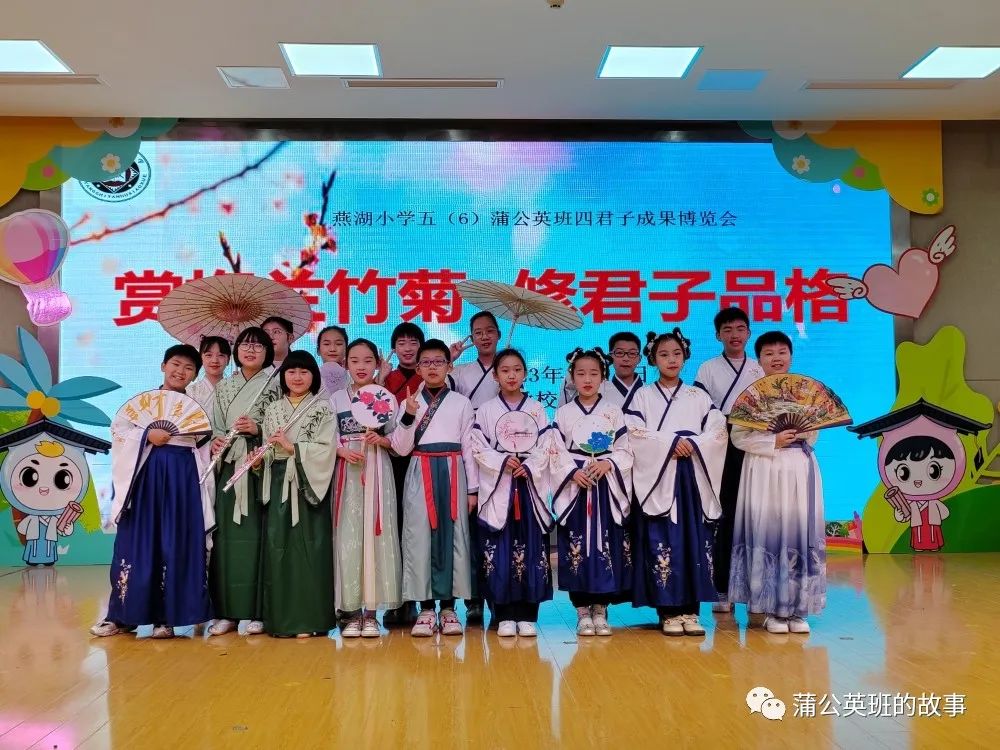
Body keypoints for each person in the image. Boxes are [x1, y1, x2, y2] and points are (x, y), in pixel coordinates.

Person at [90, 345, 215, 639]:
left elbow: (204, 446)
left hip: (182, 476)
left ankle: (166, 618)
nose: (180, 372)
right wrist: (147, 434)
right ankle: (121, 616)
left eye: (188, 368)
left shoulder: (197, 408)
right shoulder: (142, 405)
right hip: (144, 475)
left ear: (194, 376)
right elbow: (119, 433)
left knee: (175, 542)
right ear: (163, 366)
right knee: (136, 542)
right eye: (175, 364)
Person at [628, 330, 728, 636]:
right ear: (653, 359)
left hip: (692, 475)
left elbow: (718, 429)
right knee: (663, 539)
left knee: (693, 539)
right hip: (661, 475)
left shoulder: (699, 396)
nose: (671, 360)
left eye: (676, 354)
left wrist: (694, 443)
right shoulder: (643, 395)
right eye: (663, 355)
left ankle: (691, 610)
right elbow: (634, 431)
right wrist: (671, 443)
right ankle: (668, 611)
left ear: (685, 357)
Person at [728, 331, 826, 635]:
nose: (776, 358)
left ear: (791, 356)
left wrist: (801, 434)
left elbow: (815, 429)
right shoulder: (750, 396)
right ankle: (771, 608)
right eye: (769, 353)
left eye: (782, 352)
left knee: (800, 531)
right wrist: (773, 441)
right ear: (759, 360)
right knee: (768, 531)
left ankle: (799, 608)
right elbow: (738, 437)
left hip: (799, 466)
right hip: (765, 466)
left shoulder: (805, 392)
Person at [390, 339, 477, 637]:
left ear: (449, 366)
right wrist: (408, 415)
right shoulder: (408, 402)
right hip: (420, 469)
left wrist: (472, 490)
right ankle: (426, 609)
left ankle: (449, 609)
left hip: (453, 470)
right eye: (425, 362)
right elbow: (401, 448)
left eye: (438, 362)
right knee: (419, 537)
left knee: (453, 536)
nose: (432, 367)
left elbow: (469, 447)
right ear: (417, 368)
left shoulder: (461, 403)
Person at [468, 349, 553, 637]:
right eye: (505, 370)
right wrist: (502, 460)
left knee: (531, 547)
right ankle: (503, 613)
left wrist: (529, 464)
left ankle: (528, 614)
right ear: (495, 375)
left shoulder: (536, 408)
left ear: (525, 374)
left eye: (517, 369)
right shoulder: (486, 410)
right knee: (499, 548)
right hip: (500, 483)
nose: (511, 375)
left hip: (528, 485)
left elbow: (547, 444)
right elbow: (477, 445)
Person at [549, 347, 633, 637]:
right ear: (571, 377)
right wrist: (572, 472)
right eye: (581, 373)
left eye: (594, 373)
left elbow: (625, 449)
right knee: (576, 544)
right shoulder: (564, 413)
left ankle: (601, 607)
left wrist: (609, 463)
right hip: (577, 487)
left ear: (603, 377)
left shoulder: (613, 411)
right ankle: (582, 609)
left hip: (605, 485)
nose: (587, 379)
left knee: (606, 543)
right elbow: (555, 451)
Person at [206, 327, 279, 637]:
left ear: (268, 352)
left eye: (258, 346)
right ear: (236, 352)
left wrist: (258, 428)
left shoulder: (275, 385)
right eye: (245, 345)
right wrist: (216, 440)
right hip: (229, 466)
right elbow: (215, 425)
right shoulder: (225, 387)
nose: (251, 350)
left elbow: (282, 426)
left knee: (260, 537)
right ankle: (227, 612)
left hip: (259, 465)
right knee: (226, 540)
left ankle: (259, 610)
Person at [259, 351, 336, 637]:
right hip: (280, 481)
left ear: (314, 376)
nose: (298, 377)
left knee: (312, 549)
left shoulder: (323, 407)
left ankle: (310, 619)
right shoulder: (272, 409)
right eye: (291, 372)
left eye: (304, 371)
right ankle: (282, 620)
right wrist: (260, 460)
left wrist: (293, 448)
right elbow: (268, 449)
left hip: (309, 484)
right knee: (278, 548)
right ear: (283, 376)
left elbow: (327, 448)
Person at [693, 307, 764, 614]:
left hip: (753, 444)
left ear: (749, 333)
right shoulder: (707, 368)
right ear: (717, 335)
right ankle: (722, 587)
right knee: (723, 515)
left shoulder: (760, 368)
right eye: (727, 329)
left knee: (753, 515)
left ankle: (755, 588)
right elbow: (699, 410)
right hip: (720, 444)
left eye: (740, 328)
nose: (734, 335)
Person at [331, 339, 402, 638]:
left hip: (377, 467)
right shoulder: (336, 398)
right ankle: (351, 612)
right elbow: (328, 435)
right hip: (347, 469)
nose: (361, 366)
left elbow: (400, 438)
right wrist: (340, 450)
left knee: (376, 533)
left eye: (367, 360)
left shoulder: (386, 397)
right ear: (345, 364)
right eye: (355, 360)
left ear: (377, 363)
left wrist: (382, 440)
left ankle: (371, 613)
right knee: (348, 536)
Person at [449, 311, 502, 624]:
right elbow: (442, 395)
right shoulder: (462, 371)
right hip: (468, 451)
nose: (484, 337)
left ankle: (498, 595)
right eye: (478, 332)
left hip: (500, 453)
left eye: (489, 331)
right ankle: (472, 599)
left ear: (498, 334)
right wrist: (450, 361)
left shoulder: (507, 367)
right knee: (469, 530)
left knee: (495, 527)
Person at [381, 322, 426, 626]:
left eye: (413, 342)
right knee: (394, 527)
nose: (408, 348)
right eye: (401, 343)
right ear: (394, 348)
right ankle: (398, 599)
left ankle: (421, 598)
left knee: (419, 529)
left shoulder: (433, 377)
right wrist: (379, 379)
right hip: (392, 461)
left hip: (424, 461)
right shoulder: (386, 379)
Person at [558, 332, 645, 411]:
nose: (626, 359)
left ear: (639, 358)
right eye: (619, 353)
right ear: (610, 356)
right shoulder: (593, 390)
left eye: (632, 353)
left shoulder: (648, 393)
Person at [187, 336, 231, 410]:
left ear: (228, 360)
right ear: (201, 359)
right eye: (209, 355)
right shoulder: (190, 392)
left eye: (221, 355)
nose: (215, 360)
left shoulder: (236, 391)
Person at [317, 325, 349, 395]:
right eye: (326, 344)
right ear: (318, 350)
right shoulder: (310, 378)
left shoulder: (354, 378)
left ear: (347, 349)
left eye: (338, 344)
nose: (332, 349)